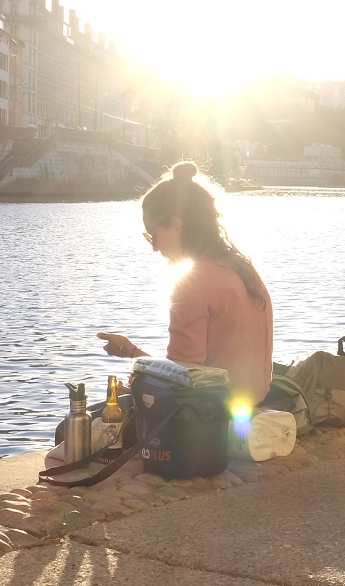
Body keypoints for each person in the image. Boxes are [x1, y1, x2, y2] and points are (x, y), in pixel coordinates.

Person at [95, 162, 275, 405]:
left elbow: (180, 381)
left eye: (153, 236)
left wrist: (131, 355)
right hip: (254, 404)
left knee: (96, 415)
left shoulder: (193, 284)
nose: (154, 247)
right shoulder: (244, 270)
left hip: (212, 417)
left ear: (176, 225)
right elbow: (190, 371)